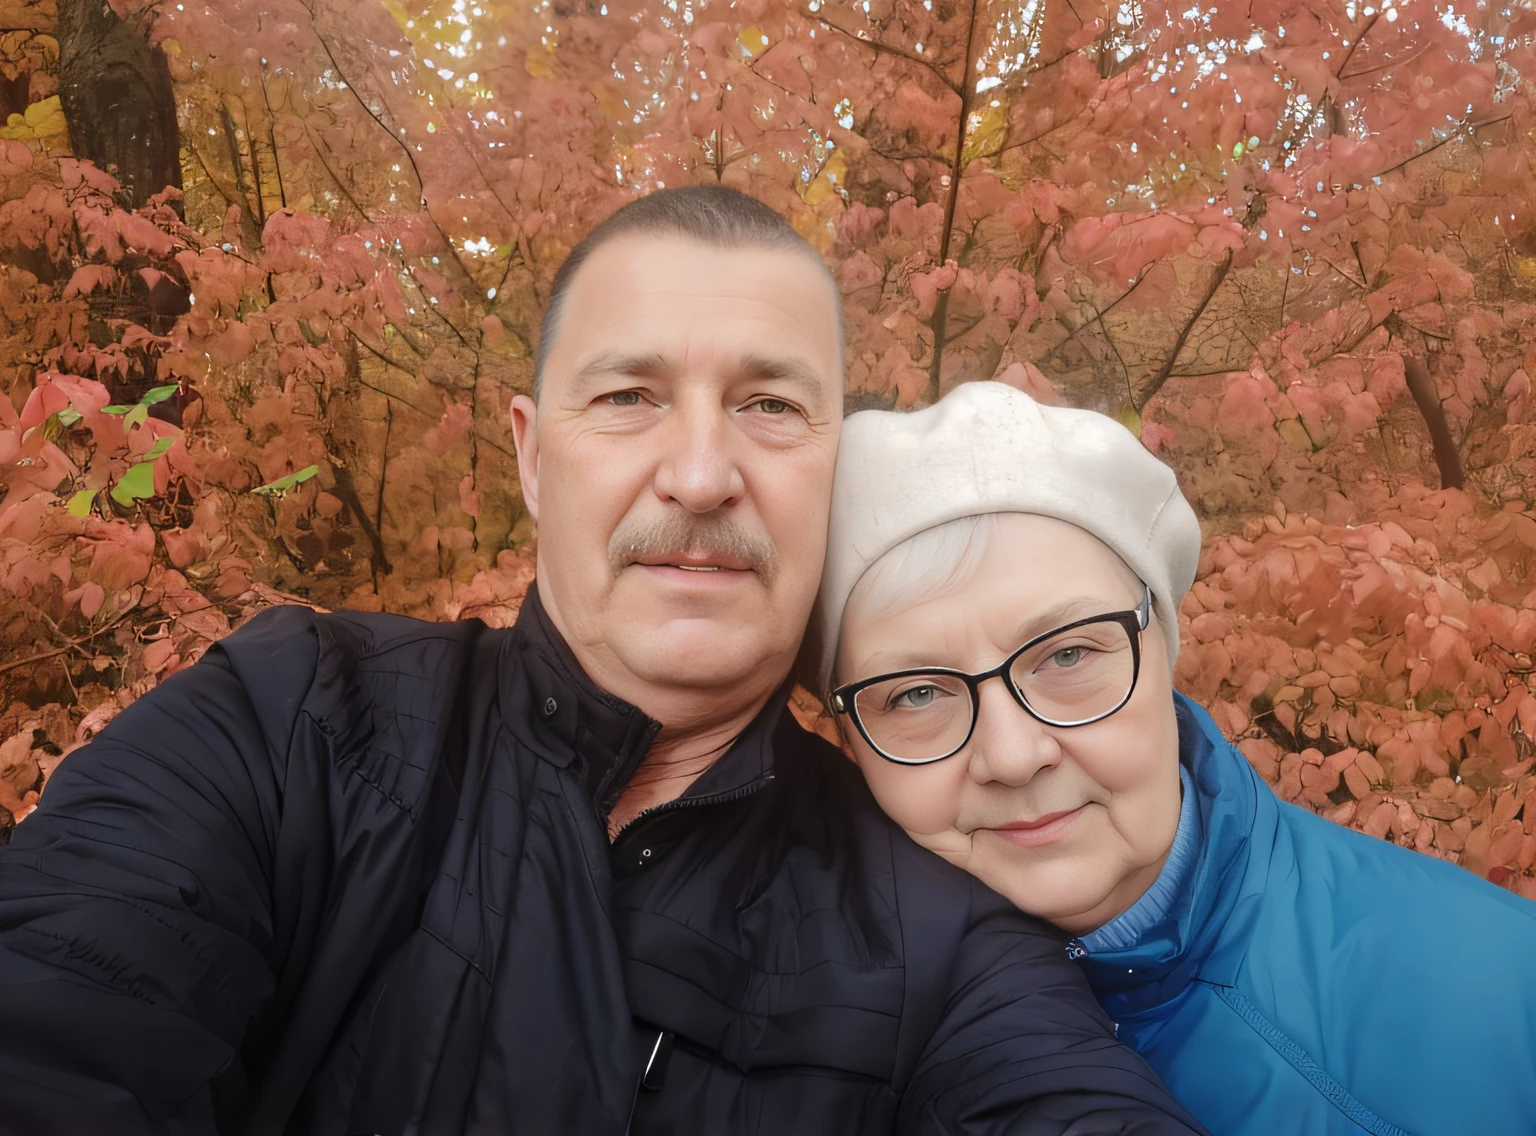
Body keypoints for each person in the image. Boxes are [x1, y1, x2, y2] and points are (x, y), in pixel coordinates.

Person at [0, 189, 1205, 1135]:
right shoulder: (295, 722)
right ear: (533, 457)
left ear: (838, 460)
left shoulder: (935, 934)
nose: (698, 473)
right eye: (629, 395)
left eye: (772, 406)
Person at [811, 379, 1536, 1136]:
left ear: (1164, 655)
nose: (1014, 755)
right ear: (850, 742)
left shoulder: (1505, 990)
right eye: (916, 695)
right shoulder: (789, 1062)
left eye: (1067, 654)